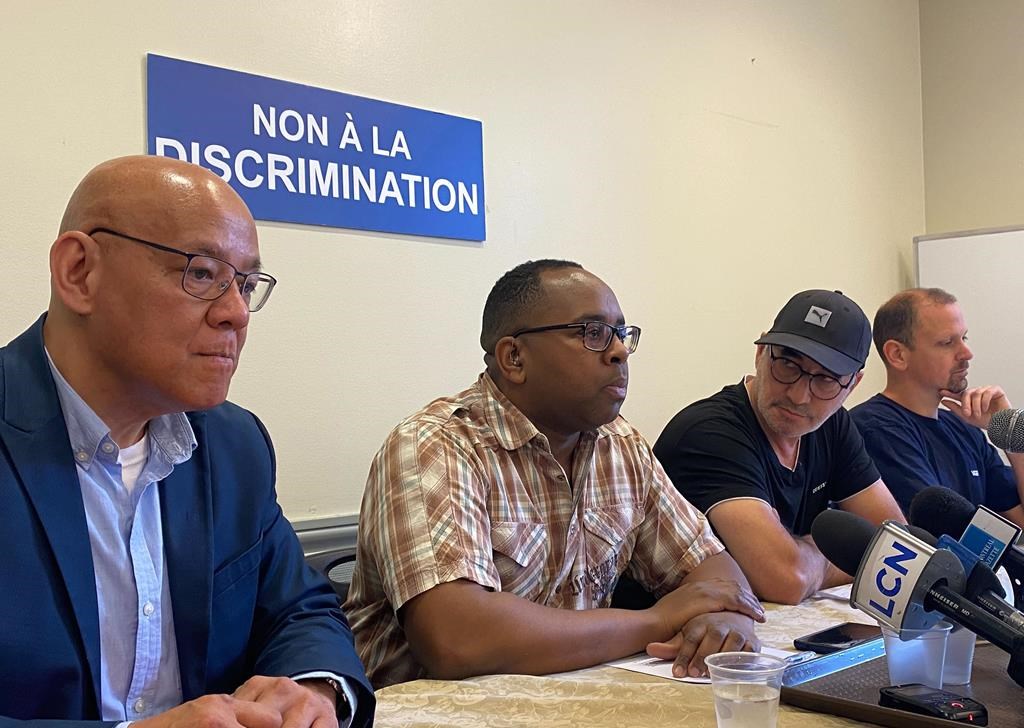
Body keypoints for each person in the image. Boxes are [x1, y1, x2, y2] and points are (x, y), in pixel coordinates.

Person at [0, 156, 373, 727]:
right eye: (201, 273)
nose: (236, 314)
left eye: (246, 285)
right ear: (79, 272)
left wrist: (314, 688)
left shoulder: (234, 443)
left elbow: (300, 610)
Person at [345, 259, 765, 689]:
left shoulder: (621, 445)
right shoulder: (434, 445)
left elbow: (713, 569)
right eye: (592, 333)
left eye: (621, 334)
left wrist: (724, 618)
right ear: (514, 358)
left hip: (574, 700)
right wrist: (657, 620)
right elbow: (457, 638)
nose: (618, 351)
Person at [653, 290, 904, 605]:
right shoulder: (709, 433)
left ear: (852, 384)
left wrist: (804, 555)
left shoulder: (833, 425)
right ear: (761, 354)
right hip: (671, 642)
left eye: (826, 379)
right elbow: (787, 580)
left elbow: (897, 547)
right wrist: (845, 552)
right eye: (787, 364)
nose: (799, 395)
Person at [850, 288, 1024, 527]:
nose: (967, 353)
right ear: (898, 354)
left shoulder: (963, 427)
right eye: (947, 342)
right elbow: (944, 536)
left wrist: (1011, 434)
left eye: (964, 338)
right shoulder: (875, 429)